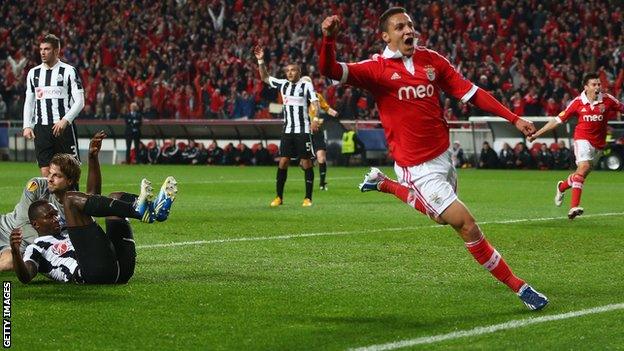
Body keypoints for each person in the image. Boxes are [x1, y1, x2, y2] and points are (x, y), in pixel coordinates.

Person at [319, 8, 548, 310]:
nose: (408, 31)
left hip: (444, 157)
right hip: (416, 167)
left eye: (410, 25)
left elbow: (472, 93)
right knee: (466, 224)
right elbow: (331, 70)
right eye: (400, 27)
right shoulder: (376, 70)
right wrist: (329, 40)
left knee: (442, 218)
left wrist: (513, 118)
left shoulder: (433, 61)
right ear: (385, 36)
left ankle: (383, 184)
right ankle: (520, 288)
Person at [10, 176, 178, 284]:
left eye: (55, 214)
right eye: (50, 216)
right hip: (91, 274)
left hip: (121, 271)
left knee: (115, 197)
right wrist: (16, 251)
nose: (56, 218)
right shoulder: (36, 247)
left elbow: (93, 196)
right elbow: (25, 276)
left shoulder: (69, 231)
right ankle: (137, 210)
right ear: (36, 224)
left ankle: (153, 210)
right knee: (69, 198)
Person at [0, 131, 106, 271]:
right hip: (6, 229)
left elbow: (93, 199)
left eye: (56, 175)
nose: (49, 178)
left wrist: (93, 157)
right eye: (50, 173)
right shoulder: (37, 186)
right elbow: (22, 224)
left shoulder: (73, 204)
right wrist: (53, 246)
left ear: (69, 181)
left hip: (22, 245)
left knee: (8, 264)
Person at [529, 72, 624, 219]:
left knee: (580, 175)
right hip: (582, 140)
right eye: (594, 84)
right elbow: (556, 120)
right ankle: (573, 207)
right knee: (583, 167)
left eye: (599, 84)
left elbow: (622, 108)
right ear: (586, 87)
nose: (598, 87)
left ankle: (561, 187)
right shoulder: (577, 102)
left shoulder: (607, 99)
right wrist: (536, 134)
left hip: (599, 145)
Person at [254, 46, 320, 207]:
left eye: (293, 70)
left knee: (306, 162)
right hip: (288, 129)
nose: (290, 72)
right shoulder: (282, 84)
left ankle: (308, 198)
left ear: (299, 72)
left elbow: (315, 102)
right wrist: (260, 60)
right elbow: (264, 77)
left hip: (303, 129)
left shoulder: (306, 85)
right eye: (288, 70)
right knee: (283, 161)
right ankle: (279, 197)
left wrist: (315, 118)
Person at [22, 34, 84, 177]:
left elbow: (80, 101)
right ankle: (50, 200)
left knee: (70, 171)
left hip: (63, 128)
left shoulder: (68, 71)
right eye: (41, 49)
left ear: (56, 51)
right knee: (46, 172)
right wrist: (27, 125)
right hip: (41, 129)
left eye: (47, 49)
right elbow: (29, 101)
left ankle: (72, 199)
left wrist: (65, 120)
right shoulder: (33, 73)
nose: (43, 52)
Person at [300, 76, 339, 190]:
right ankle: (309, 177)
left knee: (321, 158)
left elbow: (327, 109)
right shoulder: (298, 99)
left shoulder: (317, 97)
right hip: (304, 132)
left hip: (317, 130)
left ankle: (322, 183)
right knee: (305, 163)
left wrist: (336, 114)